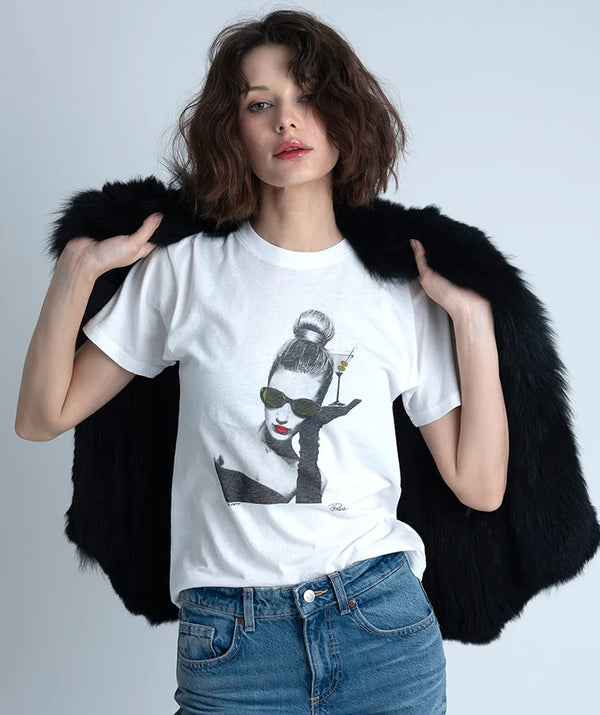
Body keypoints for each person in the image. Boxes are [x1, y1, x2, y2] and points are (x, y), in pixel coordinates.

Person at [15, 9, 513, 714]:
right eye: (260, 104)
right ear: (233, 129)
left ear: (346, 116)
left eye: (309, 96)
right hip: (232, 644)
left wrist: (474, 319)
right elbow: (40, 418)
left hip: (381, 630)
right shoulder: (185, 273)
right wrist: (74, 271)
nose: (287, 121)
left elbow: (481, 485)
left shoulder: (399, 290)